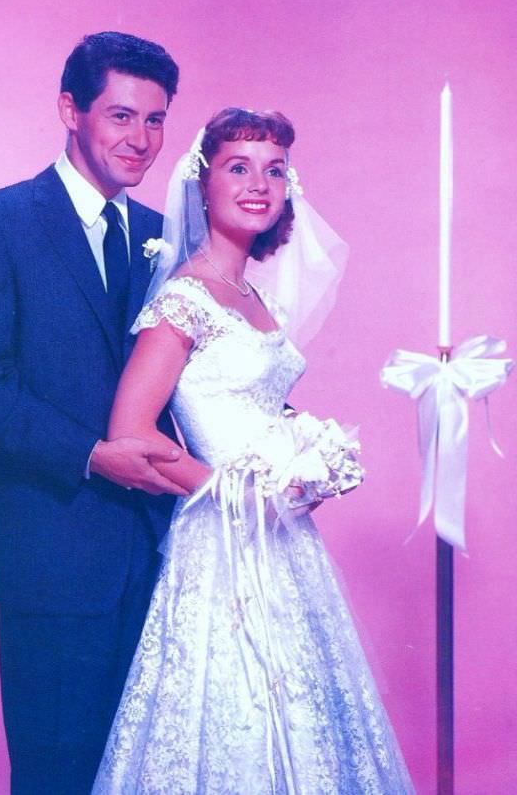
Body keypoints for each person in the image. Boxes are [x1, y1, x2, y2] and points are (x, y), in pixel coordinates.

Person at [91, 108, 415, 793]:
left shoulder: (255, 295)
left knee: (302, 710)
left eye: (275, 170)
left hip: (283, 538)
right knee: (233, 702)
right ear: (203, 184)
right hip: (224, 538)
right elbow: (132, 428)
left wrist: (309, 455)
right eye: (239, 167)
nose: (258, 184)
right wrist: (230, 486)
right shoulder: (185, 297)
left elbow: (260, 407)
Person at [0, 32, 184, 793]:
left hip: (159, 557)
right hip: (52, 559)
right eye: (120, 116)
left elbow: (195, 376)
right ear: (68, 110)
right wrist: (90, 453)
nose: (140, 139)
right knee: (56, 776)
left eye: (155, 120)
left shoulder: (162, 238)